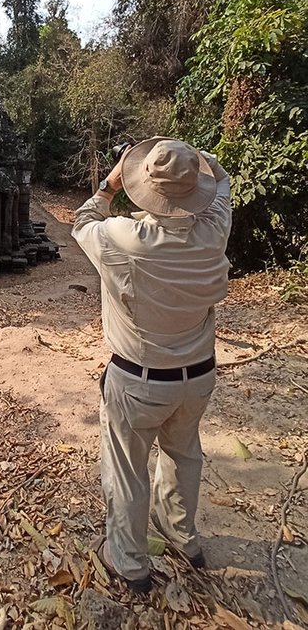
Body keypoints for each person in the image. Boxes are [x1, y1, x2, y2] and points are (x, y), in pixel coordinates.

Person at [71, 137, 231, 594]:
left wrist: (110, 182)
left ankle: (129, 562)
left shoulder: (125, 238)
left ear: (143, 186)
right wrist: (198, 162)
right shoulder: (214, 229)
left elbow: (83, 220)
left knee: (128, 470)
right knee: (184, 457)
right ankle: (184, 537)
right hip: (198, 376)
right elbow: (222, 183)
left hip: (139, 381)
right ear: (192, 186)